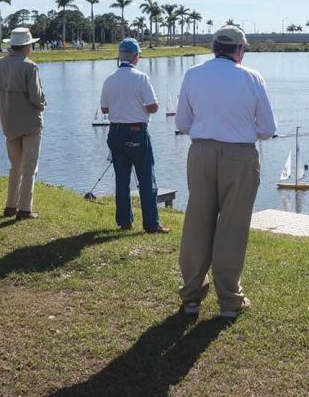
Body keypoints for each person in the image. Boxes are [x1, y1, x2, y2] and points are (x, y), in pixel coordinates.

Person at [174, 25, 276, 319]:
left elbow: (182, 122)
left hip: (201, 152)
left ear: (214, 47)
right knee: (232, 226)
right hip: (240, 155)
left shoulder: (193, 74)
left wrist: (210, 130)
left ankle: (191, 296)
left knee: (197, 221)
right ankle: (229, 299)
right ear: (240, 51)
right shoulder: (252, 78)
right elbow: (268, 129)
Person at [99, 38, 169, 234]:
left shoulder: (110, 79)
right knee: (146, 179)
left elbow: (104, 108)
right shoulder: (141, 78)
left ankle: (125, 221)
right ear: (136, 57)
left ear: (120, 56)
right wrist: (153, 106)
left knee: (121, 179)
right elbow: (152, 107)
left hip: (115, 131)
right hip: (137, 132)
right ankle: (151, 224)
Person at [0, 27, 46, 219]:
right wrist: (44, 103)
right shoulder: (30, 66)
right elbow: (37, 98)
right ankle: (24, 208)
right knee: (30, 166)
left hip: (9, 123)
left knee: (15, 165)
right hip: (30, 123)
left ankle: (10, 206)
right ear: (26, 46)